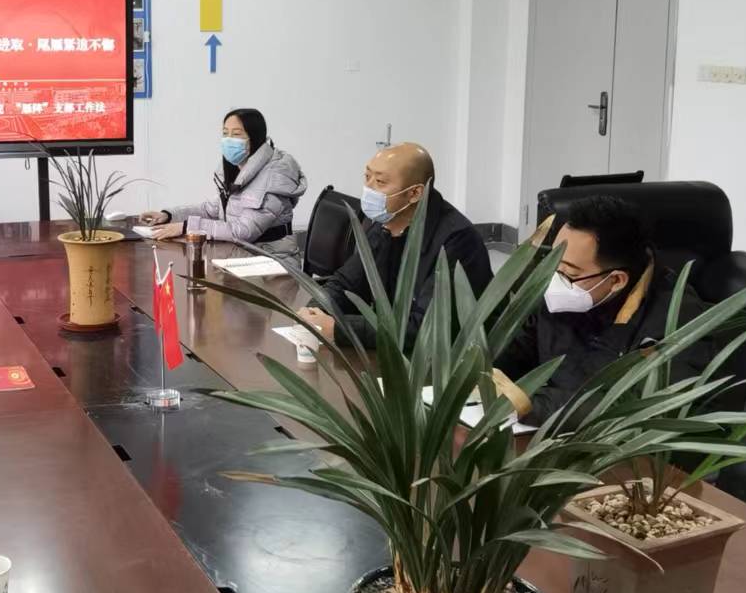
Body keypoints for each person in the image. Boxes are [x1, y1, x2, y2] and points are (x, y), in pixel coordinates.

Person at [498, 194, 706, 422]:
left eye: (568, 273)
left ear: (616, 280)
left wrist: (528, 405)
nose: (554, 279)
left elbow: (639, 409)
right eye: (552, 262)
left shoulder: (677, 320)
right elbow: (517, 350)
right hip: (545, 424)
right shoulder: (562, 291)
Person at [301, 142, 490, 349]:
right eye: (367, 177)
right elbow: (347, 282)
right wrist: (316, 309)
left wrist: (340, 329)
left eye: (380, 181)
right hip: (393, 348)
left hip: (446, 358)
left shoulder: (458, 240)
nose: (368, 188)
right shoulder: (384, 223)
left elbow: (425, 327)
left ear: (415, 193)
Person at [139, 108, 306, 246]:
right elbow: (211, 210)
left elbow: (244, 231)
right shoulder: (238, 169)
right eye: (225, 133)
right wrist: (169, 215)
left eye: (237, 134)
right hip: (243, 254)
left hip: (272, 260)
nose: (229, 140)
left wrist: (186, 227)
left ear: (255, 138)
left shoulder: (274, 176)